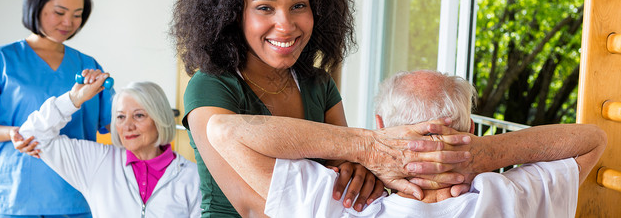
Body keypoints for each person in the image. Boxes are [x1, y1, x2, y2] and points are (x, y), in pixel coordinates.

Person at [170, 0, 471, 217]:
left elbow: (348, 171)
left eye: (299, 5)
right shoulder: (210, 86)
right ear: (234, 15)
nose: (285, 25)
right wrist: (364, 151)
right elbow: (253, 207)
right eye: (265, 8)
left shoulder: (319, 84)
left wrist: (359, 173)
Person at [206, 70, 607, 217]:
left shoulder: (340, 202)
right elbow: (592, 139)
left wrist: (367, 147)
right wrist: (486, 154)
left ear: (380, 124)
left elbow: (225, 132)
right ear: (469, 126)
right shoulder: (512, 196)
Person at [0, 0, 113, 217]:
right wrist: (12, 133)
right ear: (36, 6)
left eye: (78, 14)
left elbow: (115, 127)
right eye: (59, 12)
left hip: (76, 199)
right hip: (12, 199)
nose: (68, 22)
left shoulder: (89, 67)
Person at [18, 70, 202, 217]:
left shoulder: (192, 177)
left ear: (159, 118)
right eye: (120, 117)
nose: (128, 126)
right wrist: (75, 98)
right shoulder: (97, 161)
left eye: (139, 115)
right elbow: (31, 134)